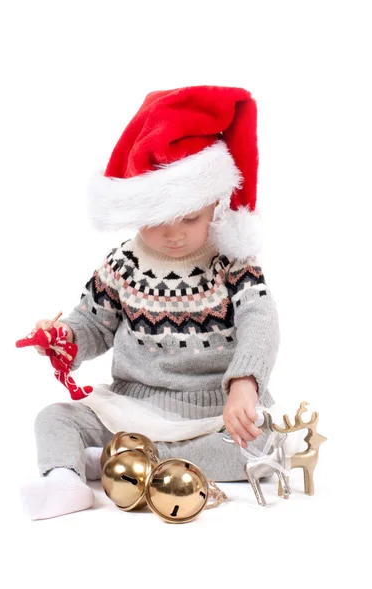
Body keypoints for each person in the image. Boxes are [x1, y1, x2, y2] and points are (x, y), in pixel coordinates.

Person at [19, 86, 281, 520]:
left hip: (214, 411)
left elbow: (261, 320)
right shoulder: (123, 265)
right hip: (133, 405)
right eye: (157, 220)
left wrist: (244, 384)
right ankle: (65, 479)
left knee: (261, 447)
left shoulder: (234, 263)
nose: (173, 233)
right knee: (54, 418)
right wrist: (64, 338)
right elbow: (93, 324)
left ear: (214, 204)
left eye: (190, 218)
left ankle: (126, 462)